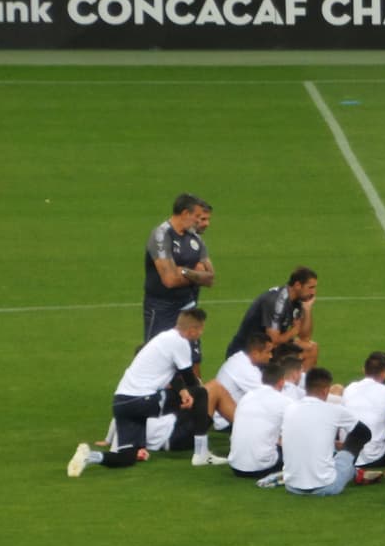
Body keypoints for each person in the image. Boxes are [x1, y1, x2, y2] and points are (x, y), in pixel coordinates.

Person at [68, 308, 226, 476]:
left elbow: (172, 375)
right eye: (201, 329)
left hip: (122, 403)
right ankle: (201, 454)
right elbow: (190, 379)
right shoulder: (180, 342)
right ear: (192, 330)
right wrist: (191, 393)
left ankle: (89, 457)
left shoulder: (163, 338)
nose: (201, 333)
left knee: (127, 457)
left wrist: (182, 392)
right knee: (201, 393)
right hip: (142, 400)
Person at [262, 368, 371, 496]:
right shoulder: (335, 410)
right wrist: (345, 448)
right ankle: (353, 471)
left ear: (306, 387)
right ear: (325, 390)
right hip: (327, 486)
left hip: (292, 486)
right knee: (354, 441)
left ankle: (349, 469)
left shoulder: (289, 408)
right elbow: (364, 433)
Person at [143, 194, 215, 371]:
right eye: (197, 216)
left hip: (188, 306)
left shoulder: (195, 238)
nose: (199, 221)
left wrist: (183, 271)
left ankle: (194, 388)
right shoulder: (161, 235)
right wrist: (195, 275)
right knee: (158, 360)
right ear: (185, 213)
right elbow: (169, 280)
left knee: (193, 359)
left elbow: (210, 278)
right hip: (162, 309)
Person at [226, 267, 319, 371]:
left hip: (269, 347)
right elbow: (273, 340)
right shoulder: (277, 302)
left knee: (311, 348)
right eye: (310, 287)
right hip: (249, 352)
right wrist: (293, 331)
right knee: (292, 355)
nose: (313, 292)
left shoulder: (296, 300)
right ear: (297, 285)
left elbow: (305, 337)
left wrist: (307, 309)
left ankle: (297, 381)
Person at [343, 351, 385, 485]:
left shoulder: (350, 388)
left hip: (348, 454)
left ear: (364, 370)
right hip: (373, 458)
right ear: (384, 373)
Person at [228, 361, 292, 479]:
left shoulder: (246, 397)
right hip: (262, 468)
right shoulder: (285, 401)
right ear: (281, 382)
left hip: (236, 467)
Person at [207, 331, 274, 429]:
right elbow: (269, 397)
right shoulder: (244, 368)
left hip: (228, 415)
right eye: (268, 352)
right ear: (255, 353)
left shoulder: (241, 359)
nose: (271, 356)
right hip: (226, 421)